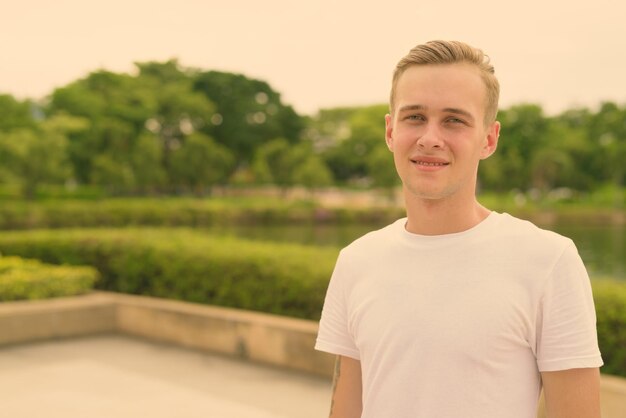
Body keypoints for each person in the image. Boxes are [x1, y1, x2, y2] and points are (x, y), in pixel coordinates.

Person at [315, 40, 603, 418]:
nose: (430, 137)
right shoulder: (356, 261)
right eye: (414, 117)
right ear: (390, 131)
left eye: (454, 120)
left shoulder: (548, 261)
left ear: (489, 138)